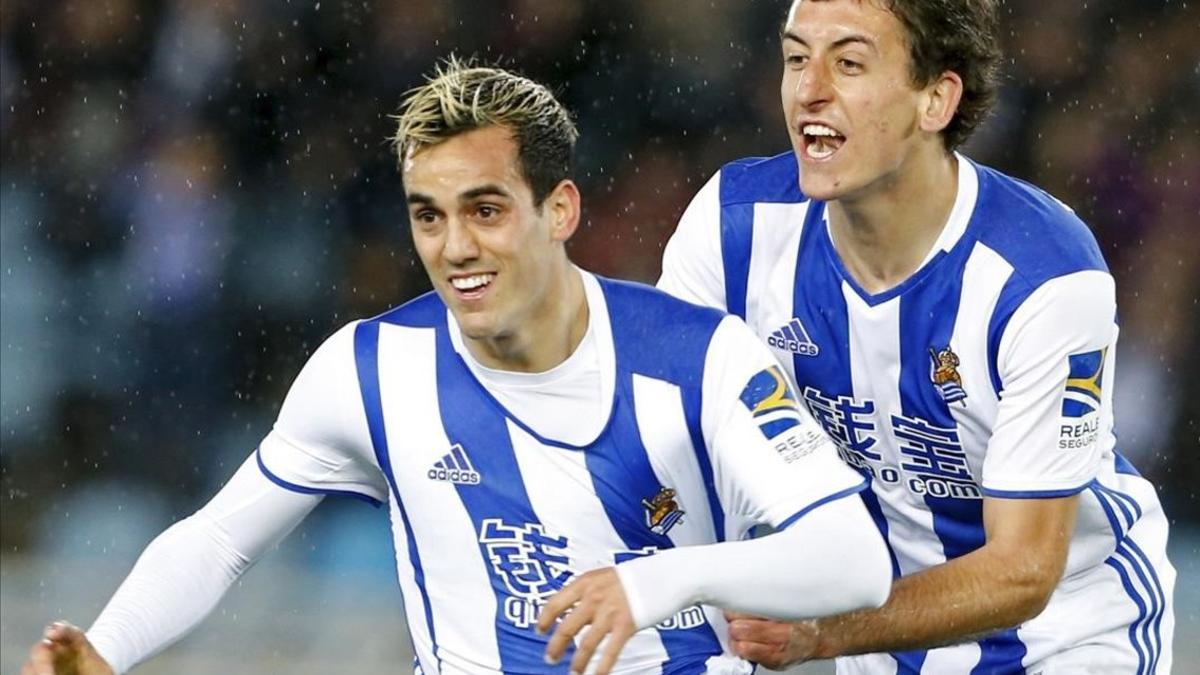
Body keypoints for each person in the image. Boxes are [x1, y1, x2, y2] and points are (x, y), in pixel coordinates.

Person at [23, 59, 892, 675]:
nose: (454, 247)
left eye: (484, 209)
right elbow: (217, 540)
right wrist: (108, 646)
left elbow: (854, 560)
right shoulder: (368, 371)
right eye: (428, 216)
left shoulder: (699, 356)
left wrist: (666, 578)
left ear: (560, 209)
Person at [657, 0, 1176, 673]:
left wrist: (822, 630)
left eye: (848, 63)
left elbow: (1023, 570)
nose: (809, 90)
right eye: (795, 58)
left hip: (1067, 637)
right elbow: (662, 444)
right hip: (880, 643)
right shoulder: (734, 227)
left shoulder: (1043, 275)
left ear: (936, 99)